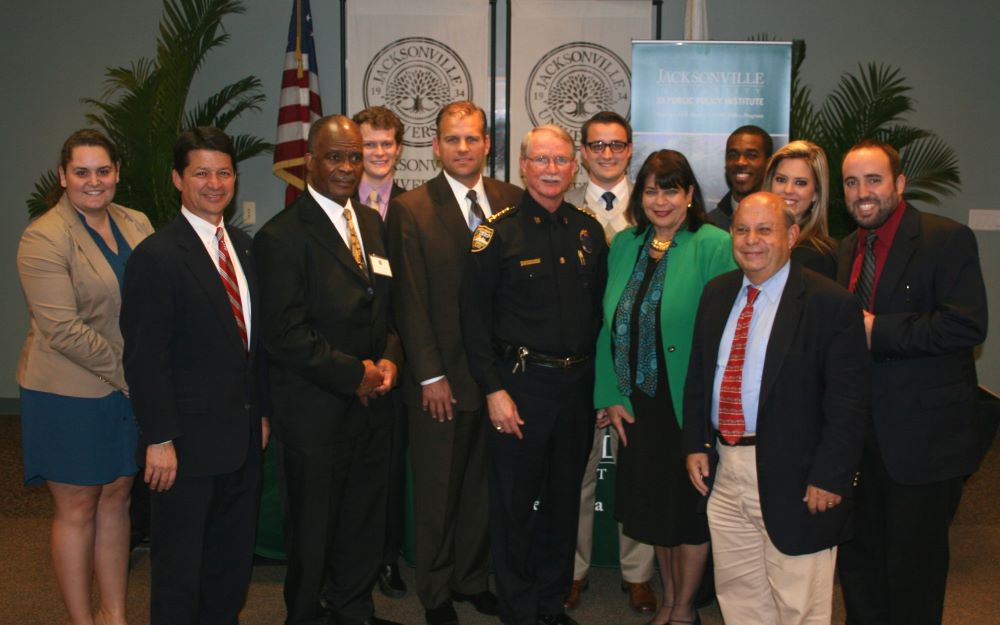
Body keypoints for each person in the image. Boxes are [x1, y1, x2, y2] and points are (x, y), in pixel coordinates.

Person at [683, 192, 870, 625]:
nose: (751, 241)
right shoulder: (718, 293)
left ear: (791, 234)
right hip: (725, 469)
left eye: (765, 230)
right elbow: (698, 377)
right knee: (740, 597)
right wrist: (695, 442)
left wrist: (830, 476)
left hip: (798, 476)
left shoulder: (830, 304)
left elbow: (848, 402)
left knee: (798, 602)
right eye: (742, 229)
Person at [255, 115, 403, 625]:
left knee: (363, 519)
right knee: (314, 529)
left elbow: (384, 306)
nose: (346, 167)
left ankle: (353, 609)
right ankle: (304, 615)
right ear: (310, 162)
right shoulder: (281, 237)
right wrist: (352, 374)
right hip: (315, 412)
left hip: (371, 406)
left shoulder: (371, 222)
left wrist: (388, 360)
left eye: (354, 156)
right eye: (335, 157)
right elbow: (284, 334)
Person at [834, 141, 988, 625]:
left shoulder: (946, 239)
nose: (863, 193)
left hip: (921, 443)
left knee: (914, 575)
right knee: (861, 567)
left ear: (899, 184)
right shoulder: (846, 250)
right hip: (860, 443)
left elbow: (965, 325)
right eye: (851, 182)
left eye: (873, 180)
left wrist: (875, 329)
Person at [121, 127, 269, 625]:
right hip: (183, 449)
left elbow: (254, 346)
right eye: (201, 172)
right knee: (180, 573)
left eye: (223, 172)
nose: (214, 183)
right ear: (177, 180)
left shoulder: (246, 250)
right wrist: (159, 438)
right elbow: (145, 359)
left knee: (229, 569)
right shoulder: (157, 257)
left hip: (242, 442)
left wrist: (262, 413)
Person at [461, 124, 608, 625]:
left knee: (565, 504)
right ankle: (520, 610)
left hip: (576, 389)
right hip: (519, 386)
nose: (551, 170)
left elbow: (599, 318)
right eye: (541, 160)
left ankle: (551, 603)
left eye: (561, 160)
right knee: (514, 507)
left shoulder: (589, 230)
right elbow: (473, 323)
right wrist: (493, 390)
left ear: (575, 168)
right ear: (522, 166)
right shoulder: (495, 233)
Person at [387, 100, 521, 625]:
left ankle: (471, 580)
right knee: (439, 493)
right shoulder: (412, 208)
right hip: (439, 381)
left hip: (498, 380)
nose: (463, 148)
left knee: (481, 490)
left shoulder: (512, 200)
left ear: (488, 144)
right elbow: (409, 301)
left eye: (472, 138)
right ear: (437, 146)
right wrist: (430, 374)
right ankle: (436, 592)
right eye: (452, 139)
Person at [16, 129, 153, 625]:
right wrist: (136, 376)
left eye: (103, 171)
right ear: (63, 176)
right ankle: (82, 620)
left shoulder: (136, 222)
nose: (93, 182)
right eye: (81, 172)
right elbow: (63, 330)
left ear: (117, 172)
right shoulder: (44, 236)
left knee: (117, 498)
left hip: (127, 387)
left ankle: (113, 614)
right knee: (77, 508)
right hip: (68, 392)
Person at [594, 149, 735, 625]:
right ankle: (671, 594)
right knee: (655, 507)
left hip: (687, 402)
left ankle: (682, 607)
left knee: (688, 511)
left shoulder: (713, 244)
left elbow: (726, 330)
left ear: (690, 194)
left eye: (671, 189)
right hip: (639, 403)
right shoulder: (625, 244)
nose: (660, 200)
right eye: (652, 190)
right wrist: (610, 393)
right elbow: (605, 325)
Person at [563, 112, 655, 615]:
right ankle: (572, 572)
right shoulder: (563, 208)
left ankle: (638, 574)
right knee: (578, 477)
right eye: (596, 145)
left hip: (637, 371)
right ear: (582, 152)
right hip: (578, 370)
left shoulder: (652, 212)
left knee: (634, 474)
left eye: (615, 145)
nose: (605, 153)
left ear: (630, 149)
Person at [352, 104, 409, 600]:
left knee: (390, 472)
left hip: (399, 361)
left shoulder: (413, 207)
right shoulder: (335, 204)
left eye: (387, 143)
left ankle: (387, 560)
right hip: (348, 365)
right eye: (370, 144)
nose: (378, 153)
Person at [763, 140, 837, 278]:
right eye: (781, 180)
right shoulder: (756, 242)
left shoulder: (816, 256)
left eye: (800, 183)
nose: (788, 190)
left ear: (816, 193)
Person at [706, 125, 773, 230]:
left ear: (768, 163)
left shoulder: (784, 219)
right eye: (733, 155)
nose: (740, 162)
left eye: (751, 155)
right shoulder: (711, 225)